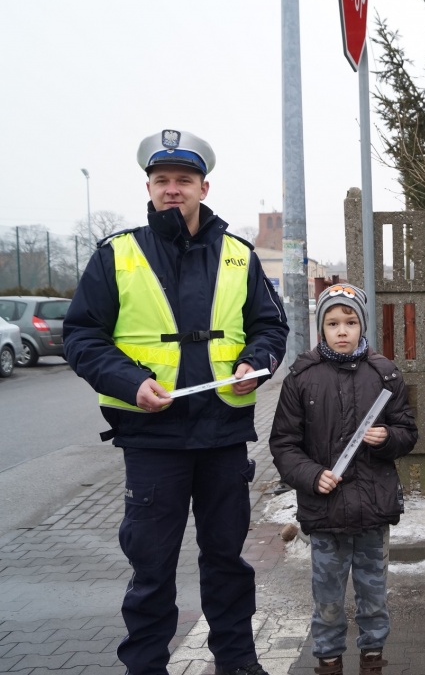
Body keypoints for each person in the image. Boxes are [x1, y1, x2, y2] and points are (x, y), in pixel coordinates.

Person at [63, 129, 289, 675]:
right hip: (151, 438)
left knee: (227, 564)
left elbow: (270, 326)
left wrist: (253, 366)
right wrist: (130, 382)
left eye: (183, 180)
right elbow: (82, 337)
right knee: (151, 567)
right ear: (149, 186)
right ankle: (144, 666)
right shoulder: (117, 254)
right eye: (162, 180)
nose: (172, 189)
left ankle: (238, 663)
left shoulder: (238, 255)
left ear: (203, 187)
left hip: (223, 438)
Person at [270, 283, 417, 675]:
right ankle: (329, 662)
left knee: (374, 597)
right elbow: (284, 444)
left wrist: (388, 438)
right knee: (328, 600)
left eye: (350, 322)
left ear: (361, 325)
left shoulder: (384, 373)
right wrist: (312, 475)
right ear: (322, 327)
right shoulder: (302, 377)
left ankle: (373, 661)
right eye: (332, 322)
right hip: (325, 513)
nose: (341, 330)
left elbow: (407, 430)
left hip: (374, 509)